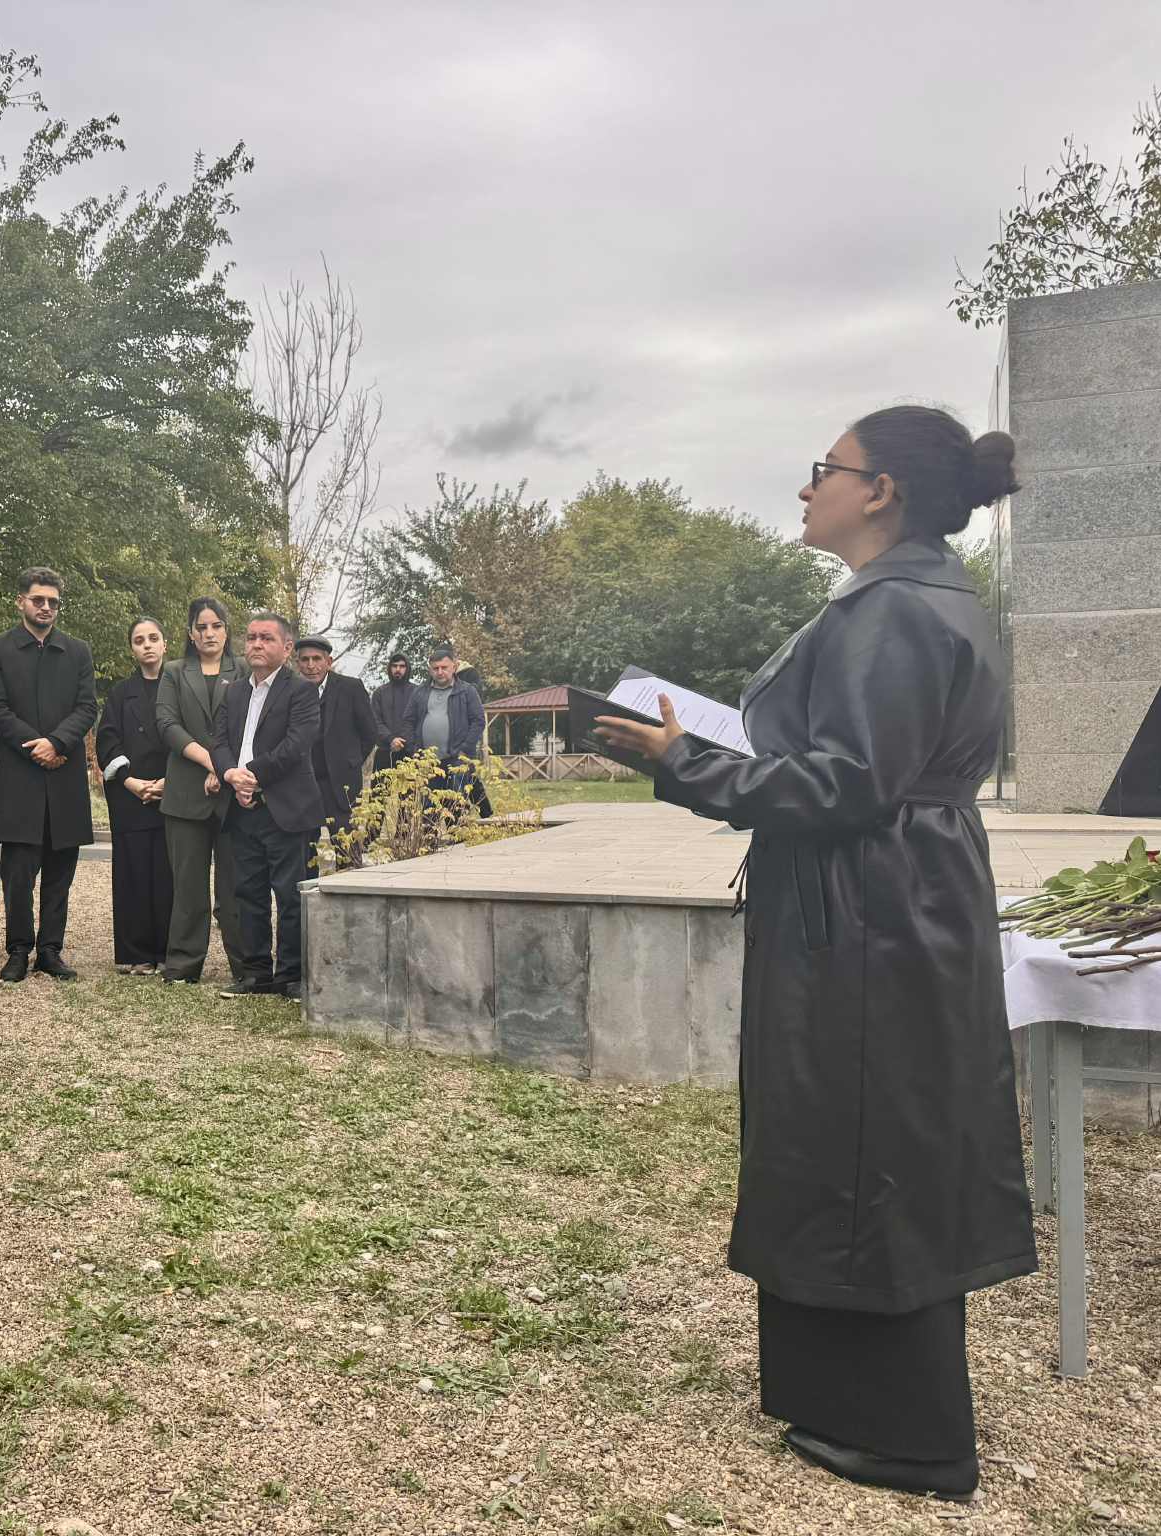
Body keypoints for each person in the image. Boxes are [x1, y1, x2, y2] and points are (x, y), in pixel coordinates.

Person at [594, 407, 1036, 1502]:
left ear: (877, 490)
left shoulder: (895, 609)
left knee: (871, 1141)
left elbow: (845, 784)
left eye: (821, 471)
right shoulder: (910, 598)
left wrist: (682, 758)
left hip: (874, 909)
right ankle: (840, 1396)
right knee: (846, 1134)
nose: (805, 490)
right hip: (886, 896)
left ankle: (919, 1441)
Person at [0, 567, 98, 984]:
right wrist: (38, 745)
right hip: (20, 778)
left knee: (60, 872)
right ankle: (18, 950)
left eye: (52, 601)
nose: (46, 607)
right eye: (38, 600)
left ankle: (50, 950)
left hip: (64, 777)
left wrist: (59, 743)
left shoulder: (78, 651)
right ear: (21, 601)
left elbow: (87, 707)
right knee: (16, 872)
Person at [213, 612, 323, 1000]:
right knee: (248, 894)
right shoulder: (234, 691)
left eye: (266, 638)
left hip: (286, 809)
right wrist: (230, 775)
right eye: (252, 638)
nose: (256, 644)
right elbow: (219, 742)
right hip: (241, 808)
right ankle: (255, 974)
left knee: (290, 895)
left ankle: (291, 975)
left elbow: (297, 745)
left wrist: (252, 775)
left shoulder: (302, 691)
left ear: (287, 647)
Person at [154, 597, 246, 985]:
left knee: (237, 887)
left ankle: (247, 965)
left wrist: (226, 771)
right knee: (188, 885)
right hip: (186, 794)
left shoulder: (243, 670)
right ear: (191, 634)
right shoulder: (174, 672)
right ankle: (183, 964)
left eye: (217, 626)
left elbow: (250, 724)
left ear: (227, 630)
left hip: (235, 795)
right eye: (202, 627)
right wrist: (213, 764)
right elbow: (167, 724)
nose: (209, 633)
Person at [98, 618, 175, 974]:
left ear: (165, 645)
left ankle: (168, 951)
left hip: (172, 794)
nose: (147, 645)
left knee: (167, 874)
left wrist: (167, 782)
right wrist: (130, 781)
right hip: (130, 796)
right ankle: (136, 953)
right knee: (133, 873)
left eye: (153, 638)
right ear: (132, 648)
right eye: (139, 640)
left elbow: (191, 737)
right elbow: (108, 740)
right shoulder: (119, 693)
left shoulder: (179, 687)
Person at [293, 636, 381, 864]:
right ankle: (305, 897)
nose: (311, 665)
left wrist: (351, 761)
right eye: (305, 660)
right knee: (304, 851)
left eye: (316, 659)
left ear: (328, 661)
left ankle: (350, 893)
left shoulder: (351, 688)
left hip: (341, 783)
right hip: (304, 783)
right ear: (297, 663)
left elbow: (370, 732)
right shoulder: (292, 692)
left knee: (347, 849)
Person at [407, 646, 485, 794]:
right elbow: (408, 721)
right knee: (428, 811)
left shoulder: (467, 691)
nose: (440, 672)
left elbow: (478, 721)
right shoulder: (420, 692)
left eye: (444, 667)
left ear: (454, 667)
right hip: (427, 762)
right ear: (430, 670)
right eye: (435, 668)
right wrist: (414, 750)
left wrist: (465, 750)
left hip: (457, 759)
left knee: (455, 808)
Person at [371, 654, 417, 769]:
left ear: (407, 668)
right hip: (385, 753)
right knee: (382, 787)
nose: (398, 669)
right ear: (389, 668)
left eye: (402, 666)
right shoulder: (380, 693)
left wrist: (403, 741)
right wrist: (391, 738)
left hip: (411, 754)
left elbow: (419, 721)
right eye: (394, 666)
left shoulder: (417, 692)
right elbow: (375, 721)